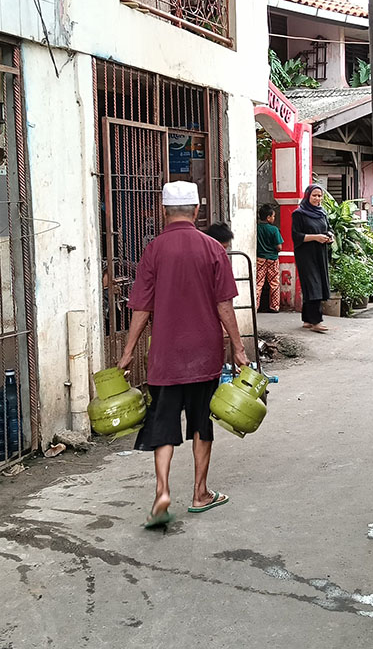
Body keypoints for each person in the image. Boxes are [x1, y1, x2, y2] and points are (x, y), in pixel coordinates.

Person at [119, 181, 250, 528]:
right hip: (204, 356)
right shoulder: (212, 249)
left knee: (162, 427)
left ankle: (162, 493)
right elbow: (224, 305)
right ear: (196, 211)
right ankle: (199, 493)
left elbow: (141, 308)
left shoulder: (153, 251)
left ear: (164, 212)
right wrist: (238, 347)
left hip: (164, 357)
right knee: (201, 425)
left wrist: (128, 352)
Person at [291, 183, 334, 333]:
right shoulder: (299, 214)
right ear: (308, 196)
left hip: (320, 253)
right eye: (314, 195)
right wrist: (316, 237)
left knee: (317, 284)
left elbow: (328, 229)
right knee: (313, 285)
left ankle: (307, 320)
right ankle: (316, 322)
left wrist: (330, 236)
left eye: (319, 196)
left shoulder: (322, 212)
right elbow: (296, 236)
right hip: (306, 255)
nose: (317, 198)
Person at [255, 204, 284, 313]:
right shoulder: (274, 230)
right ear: (268, 217)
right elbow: (279, 247)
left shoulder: (256, 228)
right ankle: (274, 307)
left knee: (258, 283)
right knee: (274, 283)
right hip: (272, 259)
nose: (274, 218)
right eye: (273, 216)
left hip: (260, 258)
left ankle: (255, 306)